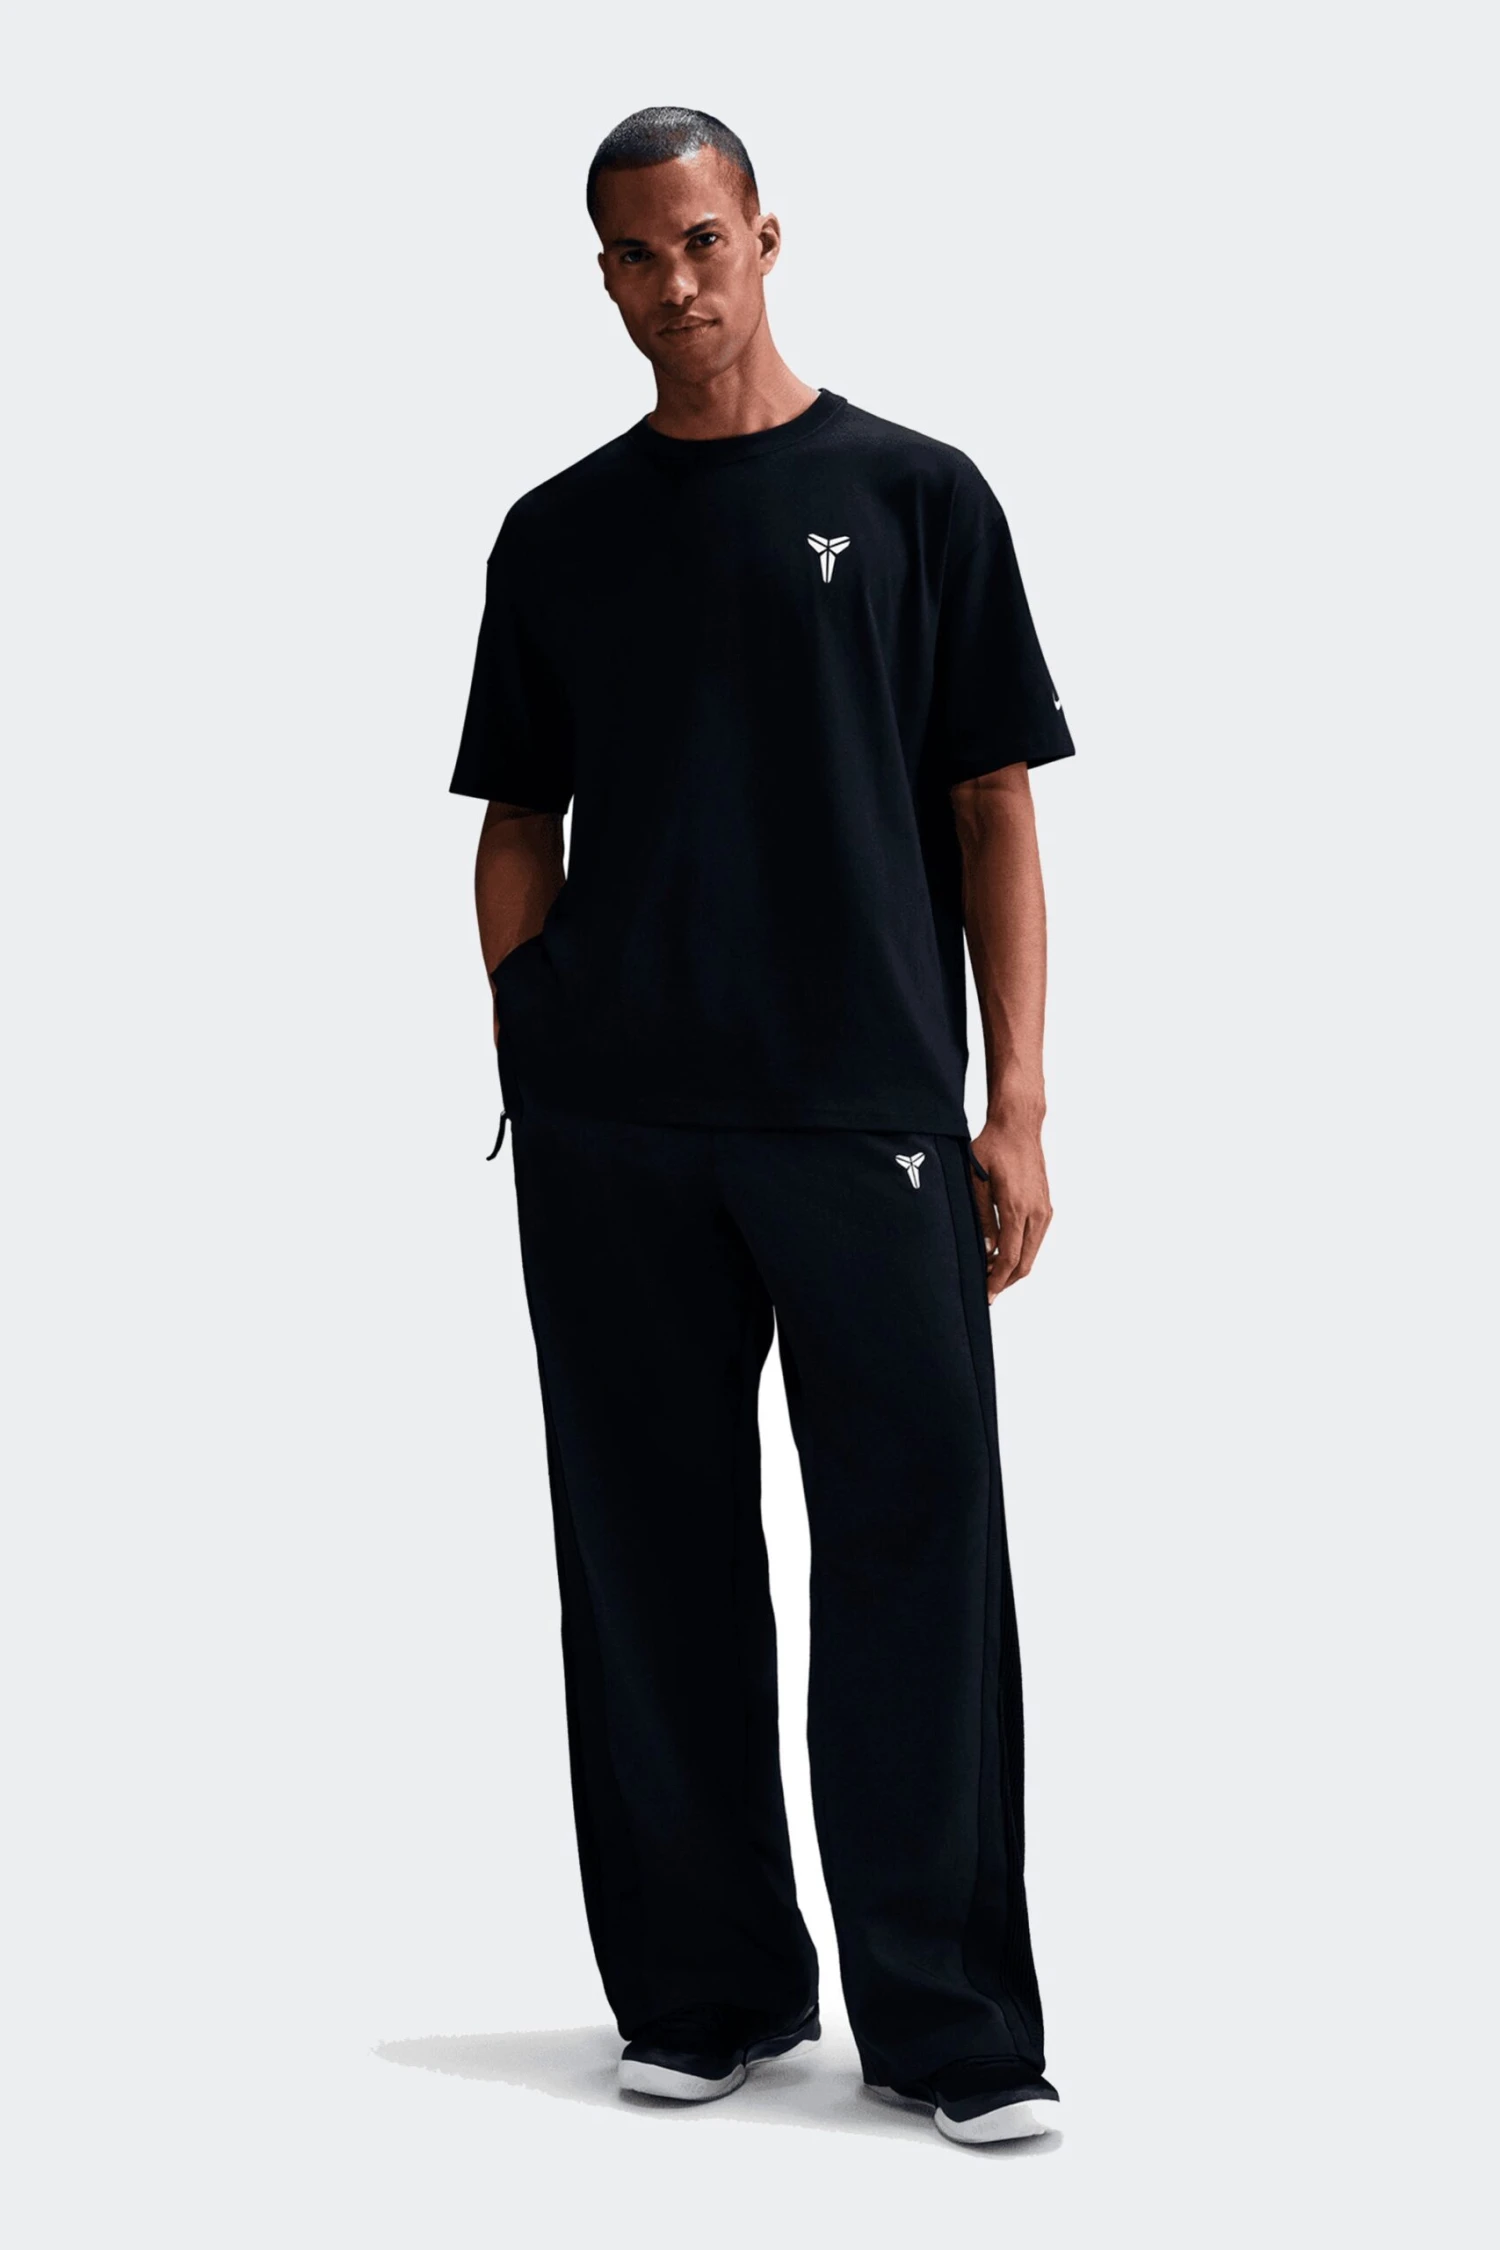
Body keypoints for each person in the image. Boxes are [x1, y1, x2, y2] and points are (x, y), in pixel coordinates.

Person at [450, 106, 1075, 2147]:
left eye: (703, 242)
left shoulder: (914, 496)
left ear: (767, 237)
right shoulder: (557, 531)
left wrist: (1015, 1103)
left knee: (917, 1548)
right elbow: (517, 814)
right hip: (617, 1130)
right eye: (637, 257)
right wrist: (533, 1034)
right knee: (650, 1556)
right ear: (604, 274)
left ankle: (952, 2024)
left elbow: (993, 803)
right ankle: (705, 1990)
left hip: (865, 1117)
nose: (676, 285)